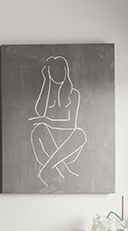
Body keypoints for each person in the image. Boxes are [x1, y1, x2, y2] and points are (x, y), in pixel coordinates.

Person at [28, 56, 88, 191]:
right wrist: (46, 81)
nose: (56, 74)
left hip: (67, 146)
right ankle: (58, 173)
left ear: (65, 71)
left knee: (80, 133)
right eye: (52, 71)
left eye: (59, 71)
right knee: (39, 129)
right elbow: (39, 111)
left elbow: (72, 124)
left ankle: (47, 171)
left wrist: (47, 121)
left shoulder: (74, 94)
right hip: (49, 147)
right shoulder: (49, 92)